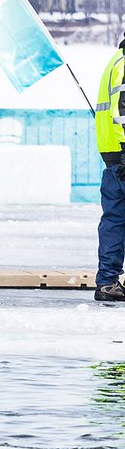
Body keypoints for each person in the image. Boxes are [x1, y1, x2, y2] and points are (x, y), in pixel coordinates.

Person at [95, 33, 125, 301]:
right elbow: (124, 111)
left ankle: (107, 282)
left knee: (114, 220)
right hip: (123, 154)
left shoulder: (115, 60)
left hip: (112, 157)